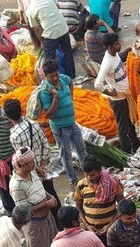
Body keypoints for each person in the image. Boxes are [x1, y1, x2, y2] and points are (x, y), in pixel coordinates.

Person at [74, 155, 124, 247]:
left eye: (92, 174)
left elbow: (121, 206)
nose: (89, 177)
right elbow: (78, 207)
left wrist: (110, 224)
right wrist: (87, 225)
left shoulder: (112, 183)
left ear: (99, 172)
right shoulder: (81, 185)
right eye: (86, 174)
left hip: (111, 229)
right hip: (92, 232)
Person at [3, 98, 60, 222]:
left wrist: (35, 168)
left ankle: (49, 223)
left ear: (8, 117)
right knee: (51, 195)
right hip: (42, 169)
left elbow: (22, 159)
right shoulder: (33, 124)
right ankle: (60, 222)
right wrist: (43, 164)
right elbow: (46, 143)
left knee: (37, 199)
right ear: (21, 111)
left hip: (31, 173)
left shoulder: (14, 135)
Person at [39, 60, 88, 189]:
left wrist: (70, 98)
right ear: (45, 76)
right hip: (60, 128)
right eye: (51, 76)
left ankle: (88, 173)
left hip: (72, 123)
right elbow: (50, 115)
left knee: (81, 148)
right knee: (65, 155)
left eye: (56, 74)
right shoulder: (45, 91)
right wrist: (55, 97)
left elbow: (70, 81)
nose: (55, 78)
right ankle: (73, 180)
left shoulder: (63, 79)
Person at [9, 146, 58, 247]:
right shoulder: (16, 185)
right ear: (20, 165)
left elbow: (40, 189)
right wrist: (46, 203)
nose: (33, 165)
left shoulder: (32, 172)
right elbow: (23, 211)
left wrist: (50, 197)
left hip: (47, 218)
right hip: (35, 224)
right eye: (30, 163)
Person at [94, 33, 140, 154]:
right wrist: (108, 91)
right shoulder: (107, 63)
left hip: (125, 96)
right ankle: (126, 152)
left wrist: (130, 50)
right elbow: (97, 84)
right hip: (118, 100)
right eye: (116, 44)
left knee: (130, 122)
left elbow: (120, 57)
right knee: (123, 128)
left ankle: (135, 144)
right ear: (110, 47)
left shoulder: (114, 55)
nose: (119, 45)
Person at [27, 0, 75, 79]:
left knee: (49, 59)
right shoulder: (49, 1)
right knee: (67, 53)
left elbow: (37, 29)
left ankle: (53, 79)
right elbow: (57, 9)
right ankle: (71, 76)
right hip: (63, 28)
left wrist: (41, 42)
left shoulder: (31, 9)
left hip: (51, 34)